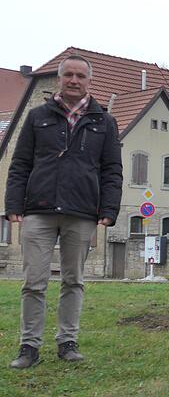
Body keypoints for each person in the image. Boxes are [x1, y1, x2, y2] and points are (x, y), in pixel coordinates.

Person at [5, 55, 123, 369]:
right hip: (38, 210)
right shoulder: (37, 117)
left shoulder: (104, 122)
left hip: (82, 212)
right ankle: (29, 346)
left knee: (74, 280)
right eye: (68, 75)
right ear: (59, 79)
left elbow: (112, 170)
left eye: (80, 76)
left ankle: (67, 341)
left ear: (89, 81)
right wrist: (13, 205)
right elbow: (19, 166)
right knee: (34, 281)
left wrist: (109, 208)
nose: (73, 80)